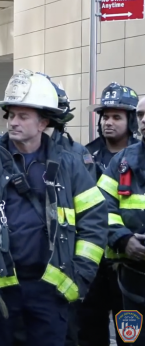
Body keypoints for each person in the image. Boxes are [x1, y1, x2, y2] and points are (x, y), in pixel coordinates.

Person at [0, 68, 107, 346]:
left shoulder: (69, 166)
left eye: (23, 116)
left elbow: (94, 222)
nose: (13, 122)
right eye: (11, 114)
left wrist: (76, 280)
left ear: (43, 122)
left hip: (50, 291)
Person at [70, 83, 139, 346]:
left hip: (128, 265)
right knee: (89, 330)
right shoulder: (85, 155)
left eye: (116, 117)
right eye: (105, 117)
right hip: (92, 262)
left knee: (130, 334)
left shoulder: (137, 158)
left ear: (131, 121)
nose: (108, 122)